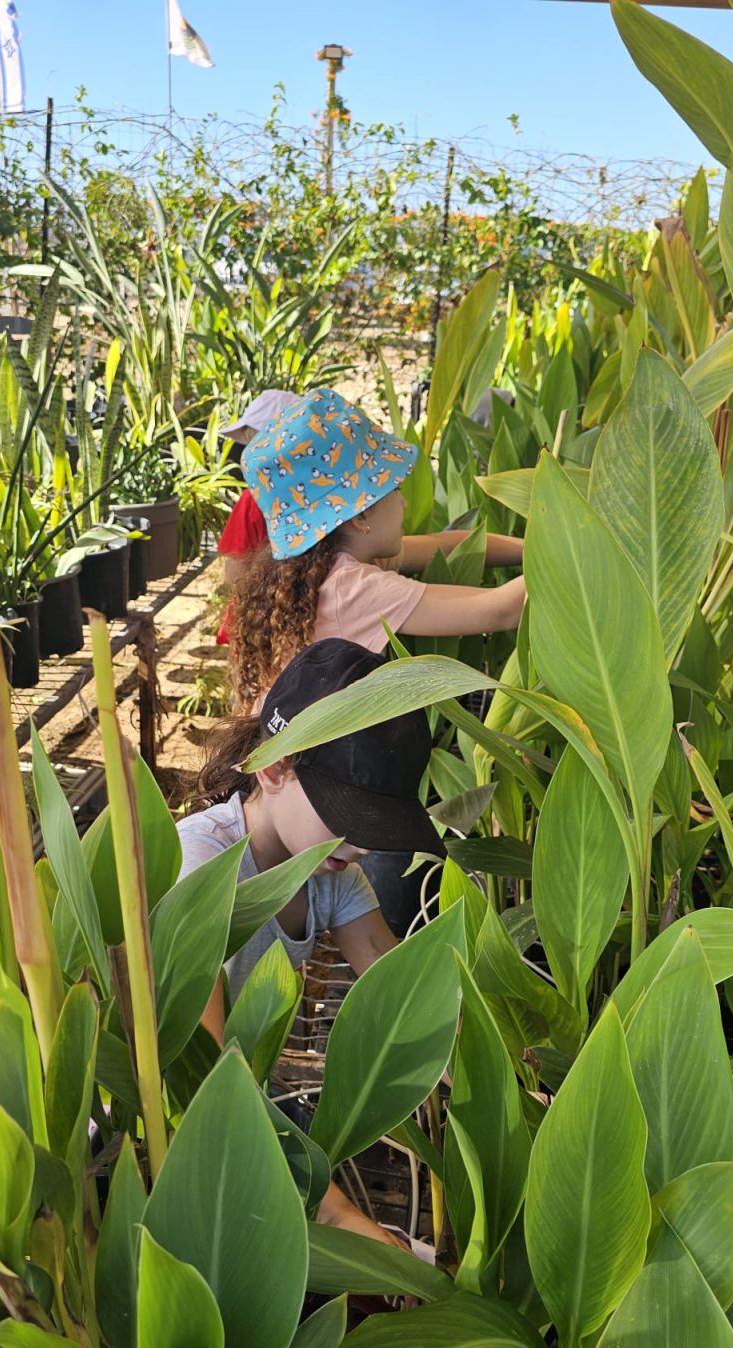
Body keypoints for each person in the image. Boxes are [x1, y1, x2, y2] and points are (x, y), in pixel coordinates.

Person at [176, 637, 441, 1247]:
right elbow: (202, 1075)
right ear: (275, 769)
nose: (365, 847)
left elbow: (400, 988)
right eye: (349, 819)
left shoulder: (329, 874)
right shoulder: (203, 870)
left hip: (253, 1104)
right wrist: (338, 1215)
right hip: (175, 1130)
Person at [228, 387, 527, 710]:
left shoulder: (318, 567)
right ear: (362, 514)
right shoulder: (352, 590)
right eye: (394, 488)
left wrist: (531, 546)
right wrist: (573, 547)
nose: (404, 501)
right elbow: (502, 610)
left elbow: (450, 544)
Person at [216, 390, 301, 644]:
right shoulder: (316, 496)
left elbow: (235, 572)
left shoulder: (253, 500)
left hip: (257, 617)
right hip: (301, 612)